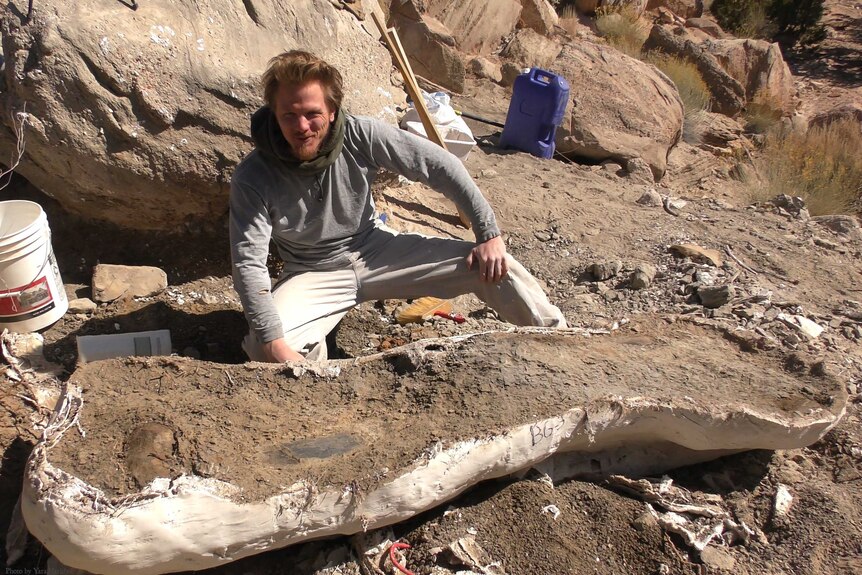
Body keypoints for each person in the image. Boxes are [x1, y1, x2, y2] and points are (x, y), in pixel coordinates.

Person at [230, 50, 566, 363]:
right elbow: (249, 263)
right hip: (311, 271)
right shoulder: (254, 176)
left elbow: (439, 165)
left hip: (374, 249)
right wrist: (274, 343)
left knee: (495, 266)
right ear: (274, 114)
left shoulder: (360, 135)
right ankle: (320, 392)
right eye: (289, 115)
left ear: (332, 112)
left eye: (312, 114)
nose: (302, 127)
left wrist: (488, 233)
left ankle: (565, 345)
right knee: (266, 349)